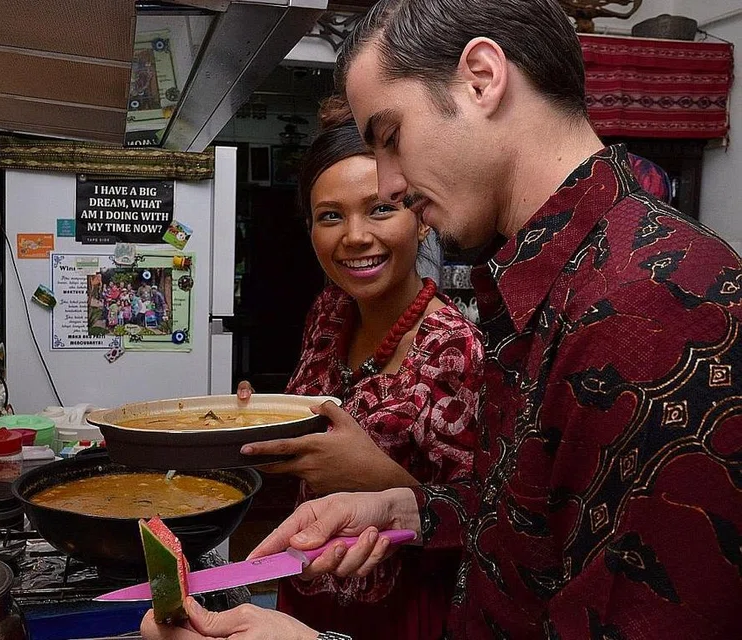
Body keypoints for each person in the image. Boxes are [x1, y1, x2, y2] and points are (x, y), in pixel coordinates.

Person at [141, 0, 742, 638]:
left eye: (390, 137)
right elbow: (527, 525)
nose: (392, 185)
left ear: (482, 77)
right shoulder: (543, 286)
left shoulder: (656, 307)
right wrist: (407, 505)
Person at [236, 106, 484, 639]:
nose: (354, 236)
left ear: (421, 219)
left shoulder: (456, 351)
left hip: (401, 613)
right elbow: (320, 417)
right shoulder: (330, 312)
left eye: (380, 210)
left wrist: (374, 476)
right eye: (330, 216)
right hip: (304, 585)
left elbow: (487, 527)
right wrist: (264, 417)